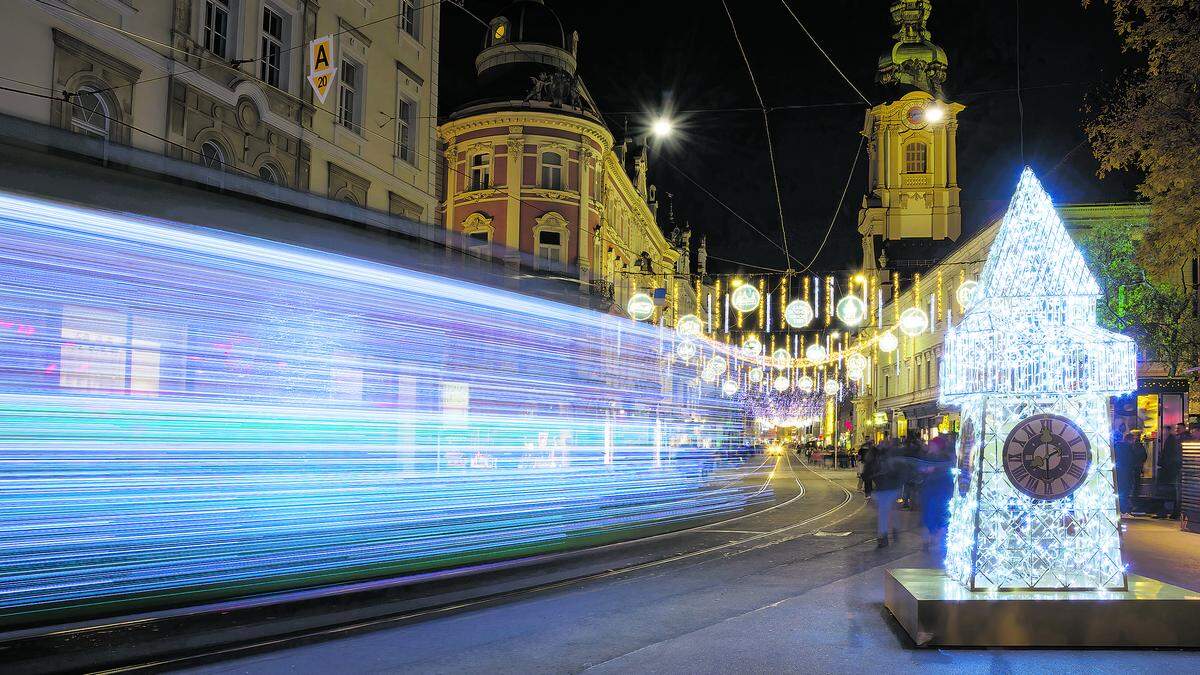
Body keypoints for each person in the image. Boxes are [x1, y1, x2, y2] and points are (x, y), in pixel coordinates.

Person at [918, 435, 954, 552]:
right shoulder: (931, 456)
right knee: (930, 515)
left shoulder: (941, 457)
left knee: (936, 515)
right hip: (931, 490)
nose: (930, 446)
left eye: (932, 444)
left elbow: (929, 470)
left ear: (938, 446)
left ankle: (936, 541)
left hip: (938, 491)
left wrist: (925, 469)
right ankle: (928, 541)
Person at [873, 439, 910, 547]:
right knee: (892, 512)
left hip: (886, 488)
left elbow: (876, 472)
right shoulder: (897, 457)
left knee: (884, 513)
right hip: (890, 489)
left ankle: (884, 537)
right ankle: (893, 532)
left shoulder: (882, 457)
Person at [1158, 423, 1187, 519]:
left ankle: (1171, 512)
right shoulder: (1174, 439)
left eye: (1179, 428)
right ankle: (1172, 511)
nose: (1177, 430)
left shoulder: (1174, 440)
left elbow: (1171, 455)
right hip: (1172, 468)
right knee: (1172, 491)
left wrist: (1166, 464)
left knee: (1172, 491)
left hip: (1172, 469)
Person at [1114, 432, 1136, 514]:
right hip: (1127, 473)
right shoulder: (1128, 448)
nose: (1134, 441)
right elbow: (1132, 460)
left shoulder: (1116, 447)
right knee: (1125, 492)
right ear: (1129, 440)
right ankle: (1124, 510)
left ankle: (1121, 510)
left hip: (1119, 473)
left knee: (1120, 491)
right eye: (1133, 439)